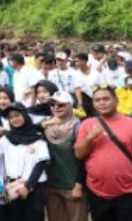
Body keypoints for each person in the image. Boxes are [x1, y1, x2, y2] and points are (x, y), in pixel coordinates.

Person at [74, 86, 132, 221]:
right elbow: (79, 155)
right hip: (97, 194)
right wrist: (90, 137)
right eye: (97, 100)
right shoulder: (87, 125)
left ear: (116, 101)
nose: (102, 103)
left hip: (129, 193)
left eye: (106, 99)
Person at [0, 103, 49, 221]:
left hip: (34, 186)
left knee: (34, 217)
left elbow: (40, 165)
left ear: (25, 115)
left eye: (17, 115)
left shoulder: (38, 137)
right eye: (11, 117)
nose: (14, 119)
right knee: (13, 217)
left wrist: (27, 187)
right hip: (12, 186)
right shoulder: (7, 138)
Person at [41, 92, 85, 221]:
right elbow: (25, 128)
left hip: (73, 187)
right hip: (52, 187)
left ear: (70, 106)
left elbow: (83, 159)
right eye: (52, 104)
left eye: (61, 104)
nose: (56, 107)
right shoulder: (46, 125)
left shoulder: (78, 127)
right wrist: (45, 124)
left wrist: (79, 185)